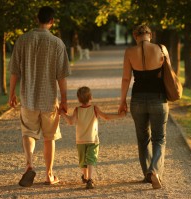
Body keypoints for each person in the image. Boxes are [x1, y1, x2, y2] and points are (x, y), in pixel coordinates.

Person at [8, 6, 71, 187]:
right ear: (52, 21)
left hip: (28, 97)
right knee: (49, 138)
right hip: (49, 99)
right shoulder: (57, 43)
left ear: (37, 19)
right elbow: (61, 76)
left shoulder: (23, 40)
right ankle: (49, 175)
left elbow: (14, 71)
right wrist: (65, 100)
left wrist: (12, 93)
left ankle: (29, 165)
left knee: (28, 132)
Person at [118, 25, 169, 189]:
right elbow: (170, 72)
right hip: (158, 98)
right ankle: (155, 170)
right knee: (159, 138)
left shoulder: (129, 52)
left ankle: (148, 174)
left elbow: (126, 79)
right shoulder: (161, 49)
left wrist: (122, 101)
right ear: (150, 35)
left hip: (138, 99)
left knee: (142, 138)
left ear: (135, 36)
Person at [60, 86, 126, 189]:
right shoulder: (94, 108)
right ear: (91, 97)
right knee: (90, 159)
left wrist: (62, 113)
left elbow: (70, 121)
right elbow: (106, 117)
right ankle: (89, 179)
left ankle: (85, 177)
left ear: (78, 99)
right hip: (93, 139)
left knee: (82, 161)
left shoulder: (77, 110)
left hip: (80, 140)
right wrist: (120, 116)